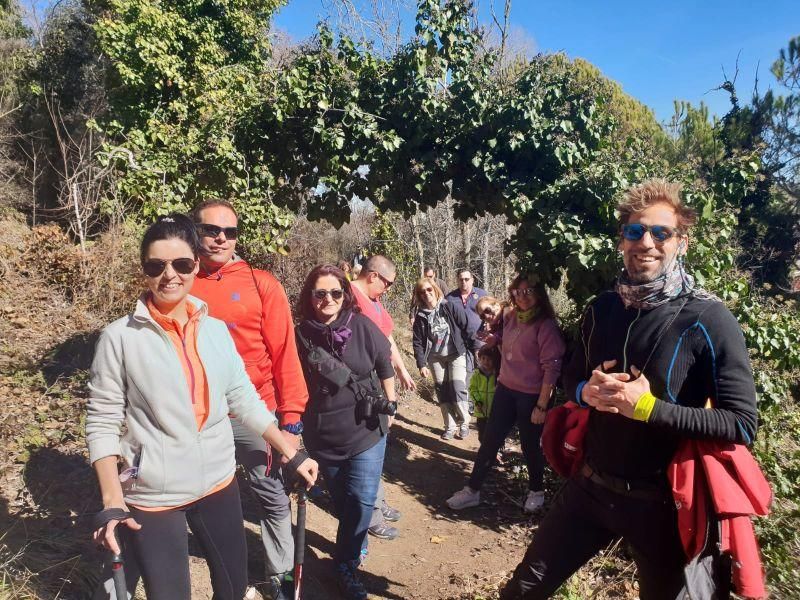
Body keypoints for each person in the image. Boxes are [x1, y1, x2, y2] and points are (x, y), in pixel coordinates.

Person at [499, 179, 759, 599]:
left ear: (682, 243)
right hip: (589, 488)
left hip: (661, 509)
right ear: (622, 241)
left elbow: (742, 423)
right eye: (635, 232)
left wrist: (649, 408)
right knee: (521, 591)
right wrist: (586, 392)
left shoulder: (708, 319)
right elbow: (571, 375)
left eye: (661, 232)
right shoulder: (602, 309)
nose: (647, 243)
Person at [86, 215, 317, 600]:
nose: (169, 275)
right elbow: (101, 421)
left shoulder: (213, 329)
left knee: (233, 587)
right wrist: (112, 502)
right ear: (143, 269)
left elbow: (241, 396)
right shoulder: (118, 338)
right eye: (155, 265)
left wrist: (291, 450)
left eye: (181, 264)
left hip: (219, 482)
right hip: (155, 495)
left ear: (196, 263)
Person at [189, 200, 309, 599]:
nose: (221, 238)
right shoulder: (179, 280)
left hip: (255, 411)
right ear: (195, 230)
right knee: (205, 497)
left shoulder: (261, 283)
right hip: (198, 415)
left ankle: (279, 578)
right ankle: (224, 573)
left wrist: (290, 419)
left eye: (230, 232)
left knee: (270, 495)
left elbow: (284, 353)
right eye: (211, 229)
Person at [295, 265, 397, 600]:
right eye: (320, 293)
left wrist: (391, 404)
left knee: (363, 498)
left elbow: (384, 366)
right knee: (343, 502)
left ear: (345, 294)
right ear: (310, 297)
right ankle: (357, 543)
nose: (328, 299)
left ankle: (345, 563)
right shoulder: (299, 335)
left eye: (335, 292)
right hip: (323, 435)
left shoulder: (362, 325)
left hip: (367, 429)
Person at [447, 275, 565, 514]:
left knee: (530, 445)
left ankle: (536, 491)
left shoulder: (545, 326)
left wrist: (541, 406)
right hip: (506, 389)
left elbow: (551, 369)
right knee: (490, 441)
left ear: (539, 293)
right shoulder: (511, 317)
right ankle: (472, 491)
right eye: (518, 291)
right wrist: (496, 339)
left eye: (529, 290)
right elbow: (506, 337)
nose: (523, 296)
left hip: (531, 396)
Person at [350, 254, 413, 540]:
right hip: (361, 385)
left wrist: (401, 370)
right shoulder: (350, 297)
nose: (387, 289)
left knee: (379, 439)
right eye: (386, 283)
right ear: (373, 275)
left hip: (379, 379)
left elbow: (387, 340)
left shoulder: (375, 303)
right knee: (368, 444)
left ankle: (378, 501)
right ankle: (370, 514)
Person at [412, 277, 476, 440]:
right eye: (422, 292)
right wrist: (421, 364)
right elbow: (418, 341)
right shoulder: (420, 315)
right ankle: (450, 426)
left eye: (429, 289)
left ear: (435, 289)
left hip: (456, 353)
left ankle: (464, 423)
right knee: (442, 391)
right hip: (435, 358)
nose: (426, 294)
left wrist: (474, 349)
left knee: (457, 387)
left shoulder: (449, 306)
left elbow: (466, 325)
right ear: (419, 295)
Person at [445, 269, 487, 386]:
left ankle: (484, 402)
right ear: (457, 281)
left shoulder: (482, 295)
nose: (464, 282)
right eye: (461, 279)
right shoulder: (450, 298)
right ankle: (469, 403)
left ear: (472, 280)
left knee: (483, 373)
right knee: (466, 377)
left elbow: (491, 315)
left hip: (480, 342)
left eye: (467, 279)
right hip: (460, 345)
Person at [471, 345, 500, 443]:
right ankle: (484, 451)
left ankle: (496, 452)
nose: (486, 361)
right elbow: (472, 389)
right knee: (482, 434)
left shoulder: (497, 375)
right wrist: (477, 400)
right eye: (483, 358)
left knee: (495, 433)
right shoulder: (476, 374)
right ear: (479, 359)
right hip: (481, 411)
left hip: (495, 411)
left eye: (489, 359)